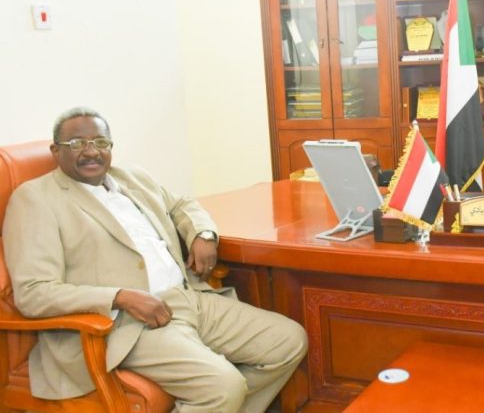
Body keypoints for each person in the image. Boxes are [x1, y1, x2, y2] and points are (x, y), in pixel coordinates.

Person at [3, 107, 308, 412]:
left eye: (100, 142)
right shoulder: (36, 199)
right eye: (77, 143)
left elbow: (182, 205)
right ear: (56, 151)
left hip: (188, 298)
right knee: (222, 385)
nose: (91, 151)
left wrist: (203, 234)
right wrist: (120, 297)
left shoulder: (133, 177)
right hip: (124, 326)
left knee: (288, 342)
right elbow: (33, 292)